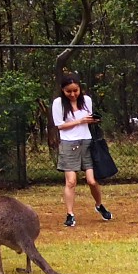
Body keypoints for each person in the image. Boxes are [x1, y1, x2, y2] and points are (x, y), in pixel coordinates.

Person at [52, 75, 111, 228]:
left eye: (75, 91)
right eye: (68, 91)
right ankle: (70, 214)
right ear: (62, 90)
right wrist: (80, 121)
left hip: (87, 141)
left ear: (80, 89)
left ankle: (99, 205)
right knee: (71, 181)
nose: (72, 94)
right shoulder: (58, 103)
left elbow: (89, 121)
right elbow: (60, 125)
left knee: (92, 180)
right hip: (68, 143)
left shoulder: (86, 100)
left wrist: (93, 120)